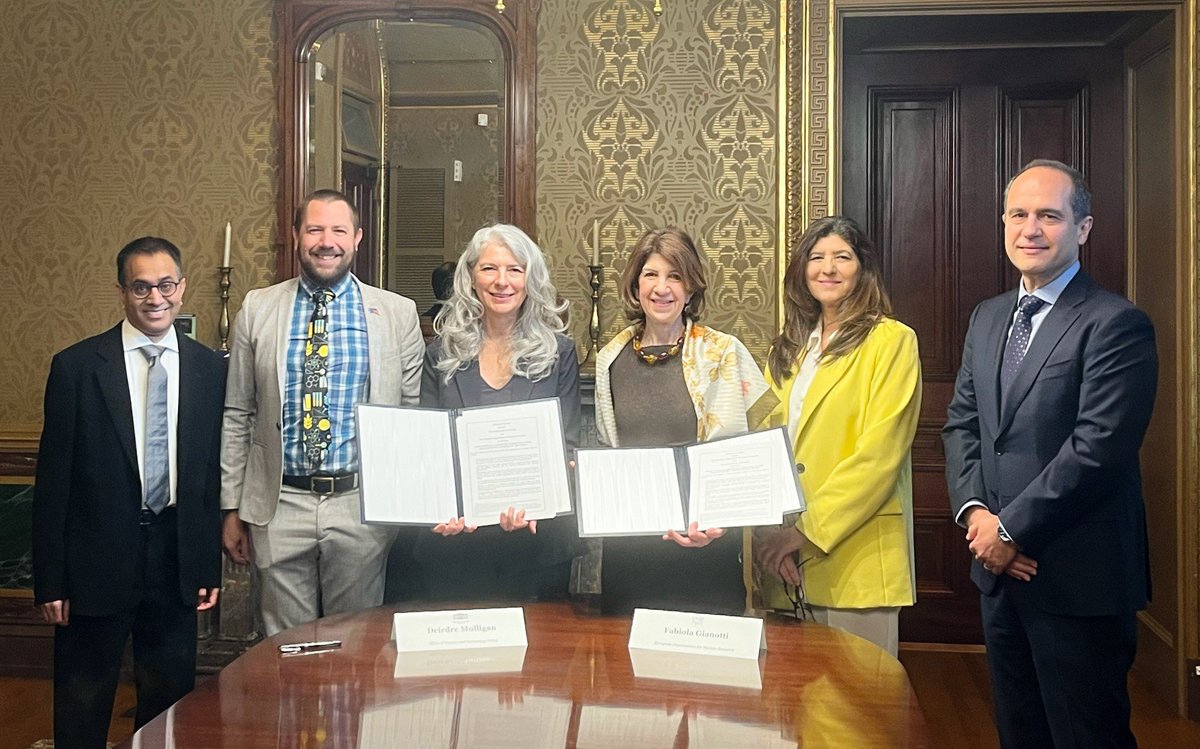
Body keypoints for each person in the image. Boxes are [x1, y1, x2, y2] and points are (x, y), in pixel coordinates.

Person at [942, 160, 1156, 749]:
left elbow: (1098, 449)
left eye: (1049, 216)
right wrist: (979, 519)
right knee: (1020, 732)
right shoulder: (987, 318)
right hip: (998, 573)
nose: (1030, 228)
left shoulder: (1117, 323)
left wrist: (1010, 530)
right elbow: (964, 425)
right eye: (1018, 214)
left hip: (1076, 577)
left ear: (1083, 228)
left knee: (1087, 736)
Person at [33, 237, 225, 747]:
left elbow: (209, 477)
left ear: (182, 288)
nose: (154, 297)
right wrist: (50, 580)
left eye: (165, 285)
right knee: (83, 698)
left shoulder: (211, 369)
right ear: (121, 291)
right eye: (141, 286)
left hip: (175, 557)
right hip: (94, 560)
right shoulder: (76, 368)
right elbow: (53, 482)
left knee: (168, 701)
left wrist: (206, 565)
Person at [221, 189, 424, 636]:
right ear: (296, 236)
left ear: (357, 238)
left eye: (338, 230)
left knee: (354, 650)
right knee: (282, 650)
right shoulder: (257, 308)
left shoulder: (397, 313)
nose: (325, 241)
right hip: (279, 506)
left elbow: (410, 418)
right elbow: (238, 411)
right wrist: (232, 507)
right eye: (314, 229)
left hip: (360, 506)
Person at [753, 216, 921, 658]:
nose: (828, 268)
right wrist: (771, 534)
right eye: (816, 257)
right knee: (789, 715)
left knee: (858, 712)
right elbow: (763, 447)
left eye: (841, 257)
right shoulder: (788, 348)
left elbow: (878, 457)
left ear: (862, 268)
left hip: (855, 558)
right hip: (783, 559)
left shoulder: (892, 341)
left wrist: (804, 534)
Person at [593, 227, 774, 615]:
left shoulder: (724, 353)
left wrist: (718, 524)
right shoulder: (610, 359)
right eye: (651, 275)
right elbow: (609, 453)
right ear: (635, 285)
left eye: (675, 276)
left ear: (691, 289)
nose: (662, 288)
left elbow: (751, 457)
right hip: (631, 554)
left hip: (706, 550)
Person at [402, 224, 581, 602]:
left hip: (537, 541)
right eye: (489, 269)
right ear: (470, 277)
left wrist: (537, 497)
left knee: (540, 656)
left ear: (530, 279)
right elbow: (429, 449)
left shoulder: (559, 354)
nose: (502, 282)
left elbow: (565, 444)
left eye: (515, 269)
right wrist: (440, 508)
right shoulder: (440, 355)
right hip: (458, 544)